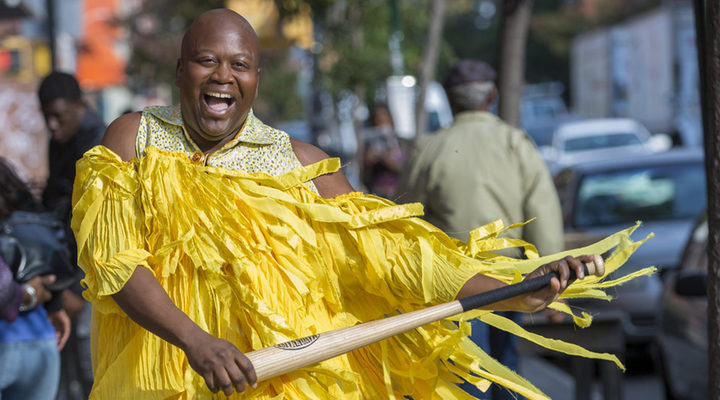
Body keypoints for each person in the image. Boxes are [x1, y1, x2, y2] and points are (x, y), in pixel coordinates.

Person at [71, 8, 645, 400]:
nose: (223, 76)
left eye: (239, 65)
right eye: (206, 61)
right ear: (180, 70)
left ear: (256, 79)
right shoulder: (133, 138)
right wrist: (195, 341)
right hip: (156, 382)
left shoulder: (297, 161)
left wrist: (511, 288)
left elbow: (394, 253)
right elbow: (112, 261)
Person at [395, 60, 564, 399]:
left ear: (450, 98)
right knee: (507, 370)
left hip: (456, 285)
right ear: (492, 95)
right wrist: (553, 285)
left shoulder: (430, 147)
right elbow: (542, 211)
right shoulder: (515, 142)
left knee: (468, 374)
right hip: (512, 280)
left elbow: (404, 219)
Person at [38, 71, 105, 399]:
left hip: (93, 280)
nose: (52, 125)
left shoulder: (99, 143)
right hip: (69, 273)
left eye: (58, 116)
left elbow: (101, 225)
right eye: (46, 116)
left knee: (90, 367)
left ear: (79, 105)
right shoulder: (61, 141)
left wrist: (79, 289)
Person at [0, 157, 71, 400]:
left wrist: (24, 296)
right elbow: (52, 253)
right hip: (41, 340)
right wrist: (55, 305)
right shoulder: (27, 208)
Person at [361, 104, 406, 198]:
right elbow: (363, 168)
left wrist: (387, 159)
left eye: (383, 117)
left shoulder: (401, 141)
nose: (380, 121)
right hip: (377, 192)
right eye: (377, 118)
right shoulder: (368, 142)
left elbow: (406, 168)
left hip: (398, 191)